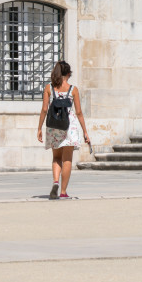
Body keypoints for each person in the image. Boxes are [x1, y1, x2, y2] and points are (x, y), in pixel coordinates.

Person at [37, 60, 90, 199]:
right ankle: (63, 191)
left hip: (53, 125)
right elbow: (79, 112)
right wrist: (85, 131)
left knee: (56, 157)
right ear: (68, 74)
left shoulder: (49, 87)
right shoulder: (73, 90)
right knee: (67, 159)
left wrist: (39, 128)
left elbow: (44, 109)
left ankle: (55, 182)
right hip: (69, 126)